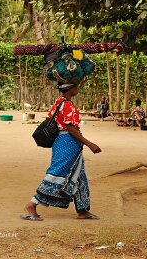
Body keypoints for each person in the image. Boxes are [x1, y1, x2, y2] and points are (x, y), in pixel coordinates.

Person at [21, 82, 101, 221]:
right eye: (76, 87)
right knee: (56, 174)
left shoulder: (59, 102)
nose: (77, 89)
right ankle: (31, 205)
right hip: (67, 143)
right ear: (70, 89)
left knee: (79, 176)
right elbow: (70, 128)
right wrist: (89, 144)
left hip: (63, 142)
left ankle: (82, 210)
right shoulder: (67, 105)